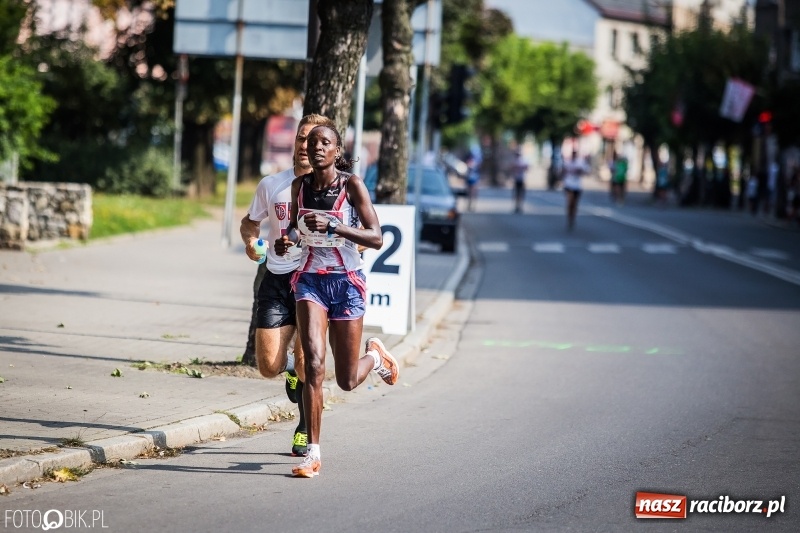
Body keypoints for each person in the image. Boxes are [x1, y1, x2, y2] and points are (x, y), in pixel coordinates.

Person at [274, 124, 399, 478]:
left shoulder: (352, 185)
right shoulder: (299, 187)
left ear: (336, 150)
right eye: (312, 143)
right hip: (310, 282)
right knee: (313, 363)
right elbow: (298, 228)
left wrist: (335, 227)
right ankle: (312, 454)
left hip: (346, 283)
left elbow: (375, 237)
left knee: (345, 379)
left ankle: (374, 356)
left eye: (324, 143)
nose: (316, 148)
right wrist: (288, 239)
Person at [239, 113, 337, 458]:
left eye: (313, 139)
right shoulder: (272, 184)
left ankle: (305, 430)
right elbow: (250, 223)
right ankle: (292, 372)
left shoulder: (333, 189)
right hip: (276, 277)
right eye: (301, 138)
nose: (305, 145)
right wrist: (252, 244)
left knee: (310, 358)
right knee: (268, 366)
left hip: (313, 279)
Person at [561, 149, 588, 231]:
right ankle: (569, 217)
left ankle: (572, 217)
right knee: (570, 202)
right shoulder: (567, 162)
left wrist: (580, 171)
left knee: (575, 204)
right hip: (568, 185)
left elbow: (586, 172)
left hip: (577, 186)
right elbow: (562, 172)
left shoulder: (580, 163)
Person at [509, 149, 529, 213]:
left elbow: (527, 168)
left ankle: (520, 206)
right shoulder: (514, 160)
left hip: (522, 179)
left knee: (521, 193)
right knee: (516, 193)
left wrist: (520, 167)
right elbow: (511, 168)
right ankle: (516, 206)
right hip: (516, 179)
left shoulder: (524, 160)